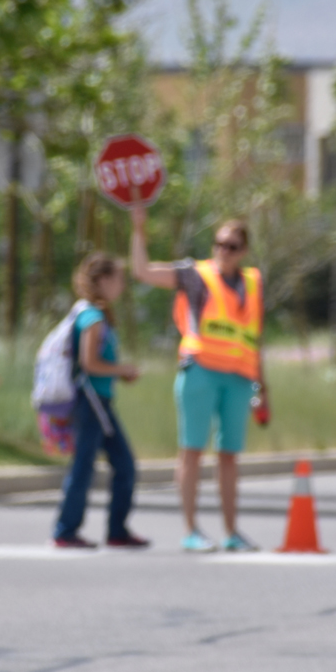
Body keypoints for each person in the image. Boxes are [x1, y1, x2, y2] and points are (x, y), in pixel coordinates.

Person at [130, 207, 268, 553]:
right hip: (200, 372)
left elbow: (254, 337)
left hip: (239, 378)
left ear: (244, 251)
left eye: (232, 246)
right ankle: (192, 530)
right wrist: (138, 229)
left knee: (229, 455)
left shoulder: (252, 283)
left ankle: (232, 532)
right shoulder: (196, 276)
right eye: (219, 243)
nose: (224, 250)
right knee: (192, 450)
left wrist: (262, 387)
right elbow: (142, 271)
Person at [53, 252, 150, 549]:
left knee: (123, 464)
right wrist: (122, 370)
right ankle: (65, 531)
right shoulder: (93, 318)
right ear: (103, 280)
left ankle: (117, 530)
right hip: (91, 402)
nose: (122, 285)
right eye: (118, 279)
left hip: (102, 402)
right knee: (85, 464)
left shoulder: (98, 315)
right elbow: (89, 363)